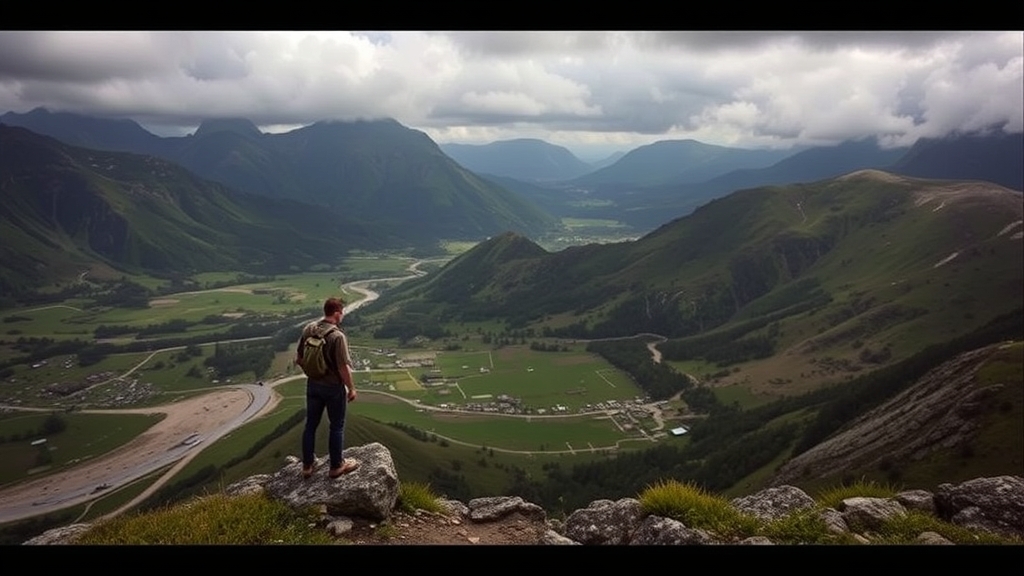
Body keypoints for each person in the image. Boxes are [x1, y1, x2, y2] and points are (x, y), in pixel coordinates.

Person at [296, 297, 359, 479]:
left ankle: (307, 466)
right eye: (342, 312)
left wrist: (312, 373)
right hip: (333, 388)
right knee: (336, 426)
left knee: (310, 425)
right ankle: (336, 466)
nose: (343, 316)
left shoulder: (309, 329)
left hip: (313, 385)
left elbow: (299, 358)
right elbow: (343, 367)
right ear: (337, 313)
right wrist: (351, 388)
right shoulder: (337, 336)